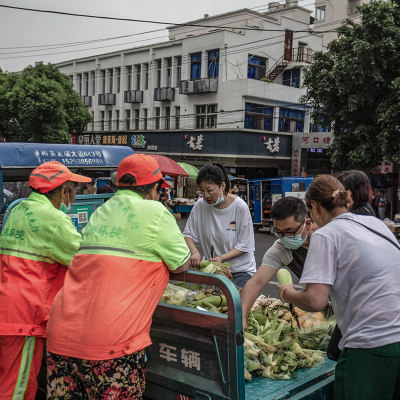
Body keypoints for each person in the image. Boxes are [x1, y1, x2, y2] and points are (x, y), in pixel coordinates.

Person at [46, 154, 191, 399]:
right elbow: (182, 264)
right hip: (111, 345)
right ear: (153, 188)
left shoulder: (102, 211)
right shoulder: (155, 211)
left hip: (61, 336)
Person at [277, 175, 400, 400]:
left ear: (313, 207)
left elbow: (315, 300)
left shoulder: (326, 234)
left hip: (371, 346)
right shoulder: (374, 223)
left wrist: (289, 294)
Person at [0, 161, 90, 400]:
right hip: (25, 316)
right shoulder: (54, 219)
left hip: (7, 307)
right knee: (17, 388)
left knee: (6, 378)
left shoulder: (18, 209)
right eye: (72, 191)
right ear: (62, 191)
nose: (72, 197)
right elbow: (85, 261)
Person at [241, 197, 318, 326]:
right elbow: (256, 282)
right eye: (279, 232)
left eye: (289, 232)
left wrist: (291, 295)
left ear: (307, 224)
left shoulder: (327, 238)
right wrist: (241, 316)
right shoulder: (281, 248)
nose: (284, 238)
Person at [183, 163, 256, 288]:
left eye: (210, 191)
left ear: (223, 185)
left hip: (239, 273)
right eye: (202, 191)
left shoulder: (239, 207)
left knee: (234, 306)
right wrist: (194, 252)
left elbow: (244, 246)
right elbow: (189, 233)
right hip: (213, 271)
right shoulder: (200, 205)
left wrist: (221, 258)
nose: (206, 196)